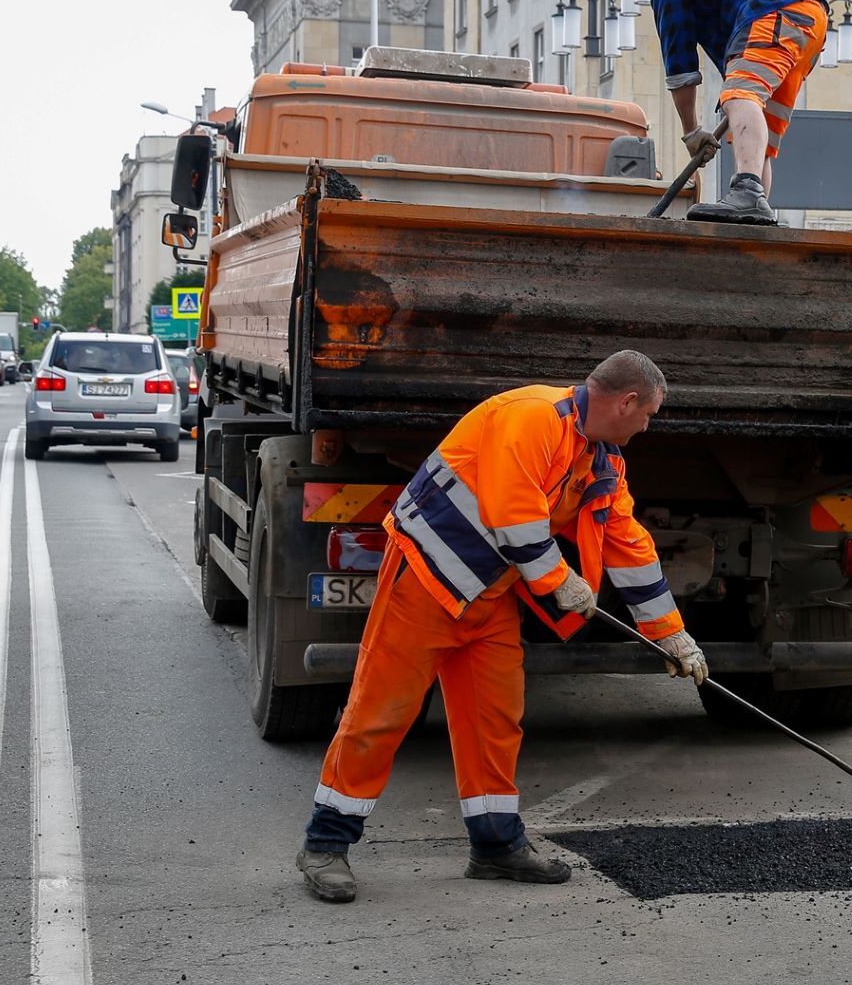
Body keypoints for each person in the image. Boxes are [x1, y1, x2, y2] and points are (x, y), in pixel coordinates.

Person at [295, 351, 709, 903]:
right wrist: (559, 580)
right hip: (425, 580)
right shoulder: (533, 418)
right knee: (380, 713)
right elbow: (513, 512)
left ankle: (495, 845)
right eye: (649, 415)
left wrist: (670, 634)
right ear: (626, 402)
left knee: (494, 720)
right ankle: (325, 843)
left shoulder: (601, 460)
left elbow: (628, 544)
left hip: (488, 594)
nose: (647, 427)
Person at [600, 0, 828, 226]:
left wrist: (692, 132)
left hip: (776, 12)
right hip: (810, 18)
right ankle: (754, 217)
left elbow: (681, 70)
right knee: (756, 133)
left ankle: (747, 192)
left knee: (738, 95)